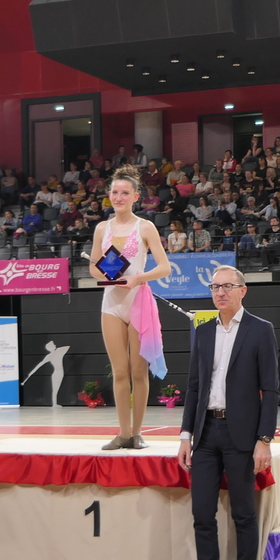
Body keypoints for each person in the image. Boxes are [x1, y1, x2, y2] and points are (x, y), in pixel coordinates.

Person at [170, 266, 279, 560]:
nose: (220, 292)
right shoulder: (203, 331)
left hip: (241, 436)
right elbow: (194, 387)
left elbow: (271, 390)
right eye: (215, 287)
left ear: (242, 291)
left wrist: (264, 439)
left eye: (227, 286)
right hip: (205, 434)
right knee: (202, 515)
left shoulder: (260, 330)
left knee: (244, 515)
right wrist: (185, 435)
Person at [90, 166, 171, 451]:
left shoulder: (145, 227)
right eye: (114, 192)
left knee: (139, 372)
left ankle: (137, 433)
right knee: (119, 371)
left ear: (136, 196)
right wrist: (107, 275)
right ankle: (123, 433)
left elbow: (164, 267)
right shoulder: (102, 228)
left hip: (138, 303)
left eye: (125, 193)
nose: (118, 197)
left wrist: (138, 278)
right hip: (111, 304)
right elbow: (93, 266)